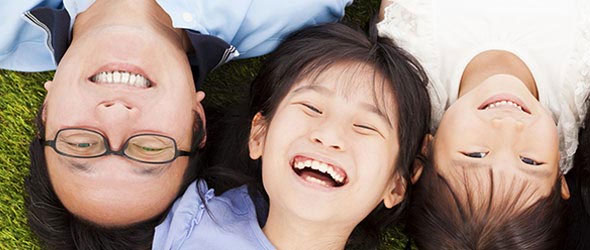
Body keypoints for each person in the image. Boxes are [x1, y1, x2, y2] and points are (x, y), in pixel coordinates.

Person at [1, 0, 352, 248]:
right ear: (195, 121)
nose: (117, 113)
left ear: (46, 110)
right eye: (149, 147)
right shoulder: (291, 8)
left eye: (81, 144)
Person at [153, 22, 431, 249]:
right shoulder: (189, 221)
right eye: (311, 107)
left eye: (365, 127)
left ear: (396, 185)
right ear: (259, 135)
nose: (329, 135)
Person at [377, 0, 589, 248]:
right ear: (561, 177)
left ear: (425, 151)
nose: (507, 126)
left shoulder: (416, 56)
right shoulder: (576, 86)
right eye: (530, 161)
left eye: (475, 154)